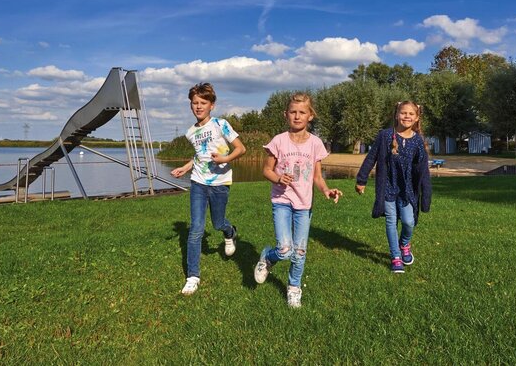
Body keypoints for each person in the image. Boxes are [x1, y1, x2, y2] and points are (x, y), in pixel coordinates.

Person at [253, 92, 342, 308]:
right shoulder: (279, 141)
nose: (297, 116)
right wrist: (278, 178)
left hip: (304, 204)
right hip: (281, 201)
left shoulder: (315, 143)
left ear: (310, 116)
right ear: (286, 114)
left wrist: (326, 190)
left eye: (302, 112)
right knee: (285, 249)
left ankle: (294, 288)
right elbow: (266, 170)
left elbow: (317, 177)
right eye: (293, 112)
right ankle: (268, 257)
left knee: (300, 251)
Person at [171, 82, 246, 295]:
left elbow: (241, 148)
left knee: (218, 223)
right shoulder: (190, 132)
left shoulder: (220, 124)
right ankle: (193, 276)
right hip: (198, 182)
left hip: (220, 183)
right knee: (196, 229)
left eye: (203, 103)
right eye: (195, 103)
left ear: (211, 105)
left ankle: (230, 232)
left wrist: (225, 158)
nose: (198, 106)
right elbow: (199, 156)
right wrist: (186, 167)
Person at [355, 101, 432, 273]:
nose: (407, 116)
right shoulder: (385, 136)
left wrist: (426, 194)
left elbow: (423, 170)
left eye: (411, 114)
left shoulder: (418, 141)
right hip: (388, 186)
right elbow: (371, 157)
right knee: (391, 220)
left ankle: (404, 244)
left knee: (408, 222)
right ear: (397, 115)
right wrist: (361, 180)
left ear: (417, 118)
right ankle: (395, 256)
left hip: (407, 189)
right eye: (403, 113)